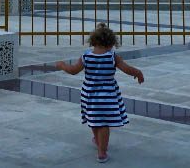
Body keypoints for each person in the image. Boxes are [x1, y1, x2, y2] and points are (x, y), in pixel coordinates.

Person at [55, 23, 144, 163]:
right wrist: (138, 73)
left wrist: (62, 65)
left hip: (89, 95)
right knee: (104, 123)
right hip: (108, 95)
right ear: (111, 43)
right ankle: (102, 152)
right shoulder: (112, 57)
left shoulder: (86, 56)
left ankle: (97, 140)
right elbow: (127, 69)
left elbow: (73, 71)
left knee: (94, 119)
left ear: (93, 41)